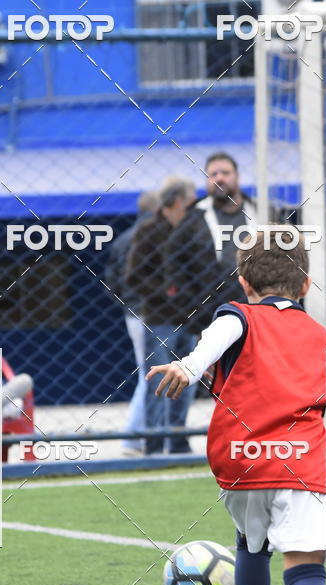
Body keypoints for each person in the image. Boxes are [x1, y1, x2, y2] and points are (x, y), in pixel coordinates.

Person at [147, 228, 326, 585]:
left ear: (243, 283)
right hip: (299, 455)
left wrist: (189, 368)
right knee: (306, 564)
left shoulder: (237, 312)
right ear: (305, 285)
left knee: (251, 544)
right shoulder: (318, 333)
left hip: (241, 455)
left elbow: (222, 335)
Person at [125, 178, 196, 455]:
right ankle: (153, 445)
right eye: (190, 197)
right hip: (159, 319)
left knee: (186, 381)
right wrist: (165, 291)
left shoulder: (192, 229)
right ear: (178, 200)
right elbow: (132, 276)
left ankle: (178, 441)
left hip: (189, 317)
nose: (194, 202)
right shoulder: (148, 232)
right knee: (157, 382)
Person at [165, 152, 258, 336]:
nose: (219, 178)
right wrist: (191, 305)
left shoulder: (260, 210)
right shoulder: (194, 217)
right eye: (213, 175)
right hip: (209, 316)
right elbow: (174, 261)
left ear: (237, 176)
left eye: (225, 172)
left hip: (257, 308)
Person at [105, 190, 160, 455]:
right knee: (151, 375)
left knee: (148, 372)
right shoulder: (157, 237)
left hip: (133, 313)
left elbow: (112, 281)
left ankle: (145, 437)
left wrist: (127, 304)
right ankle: (135, 438)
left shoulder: (123, 239)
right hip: (154, 312)